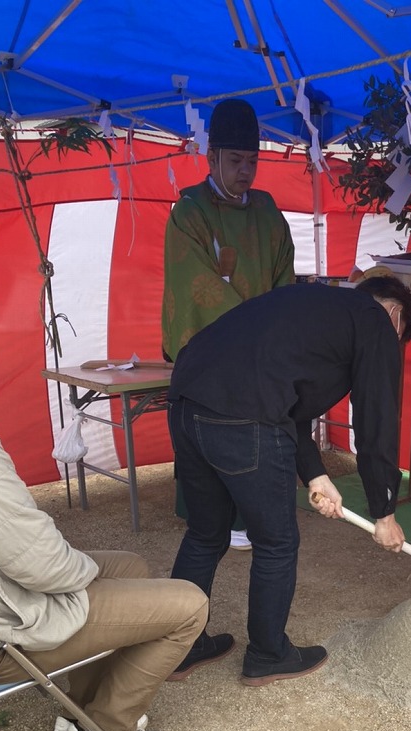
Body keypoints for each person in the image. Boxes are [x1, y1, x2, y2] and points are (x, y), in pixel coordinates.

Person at [0, 271, 210, 731]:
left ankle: (87, 706)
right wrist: (81, 576)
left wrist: (81, 570)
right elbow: (38, 563)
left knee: (129, 566)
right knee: (190, 605)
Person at [166, 274, 411, 685]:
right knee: (276, 541)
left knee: (204, 534)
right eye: (400, 335)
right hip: (245, 419)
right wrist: (384, 511)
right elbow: (376, 420)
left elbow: (288, 401)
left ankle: (176, 646)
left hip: (185, 404)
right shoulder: (375, 320)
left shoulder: (308, 304)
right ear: (394, 313)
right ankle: (268, 654)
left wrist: (316, 474)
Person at [162, 98, 295, 553]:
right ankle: (213, 521)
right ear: (211, 157)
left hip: (260, 351)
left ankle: (253, 516)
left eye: (253, 161)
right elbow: (194, 286)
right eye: (236, 160)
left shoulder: (267, 211)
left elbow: (284, 278)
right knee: (213, 437)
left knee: (259, 433)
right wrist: (252, 332)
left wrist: (275, 331)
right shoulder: (189, 212)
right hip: (212, 353)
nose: (246, 171)